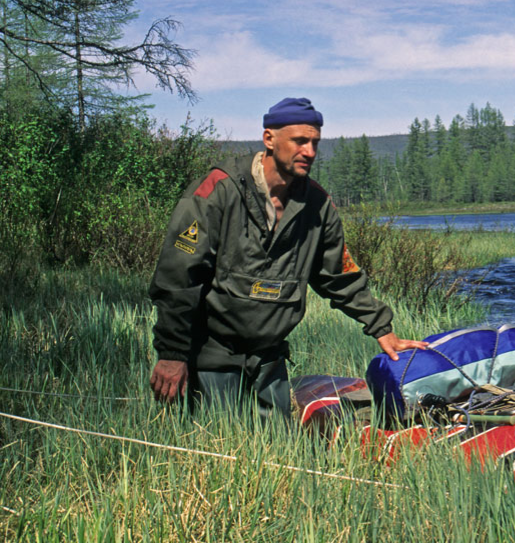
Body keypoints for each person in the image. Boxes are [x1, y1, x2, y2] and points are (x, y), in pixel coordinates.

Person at [148, 97, 427, 417]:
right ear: (269, 139)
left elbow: (339, 276)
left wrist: (382, 328)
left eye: (315, 143)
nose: (309, 151)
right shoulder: (220, 190)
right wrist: (172, 354)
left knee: (278, 452)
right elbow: (178, 275)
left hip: (270, 361)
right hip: (212, 358)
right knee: (215, 447)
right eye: (299, 141)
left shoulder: (317, 205)